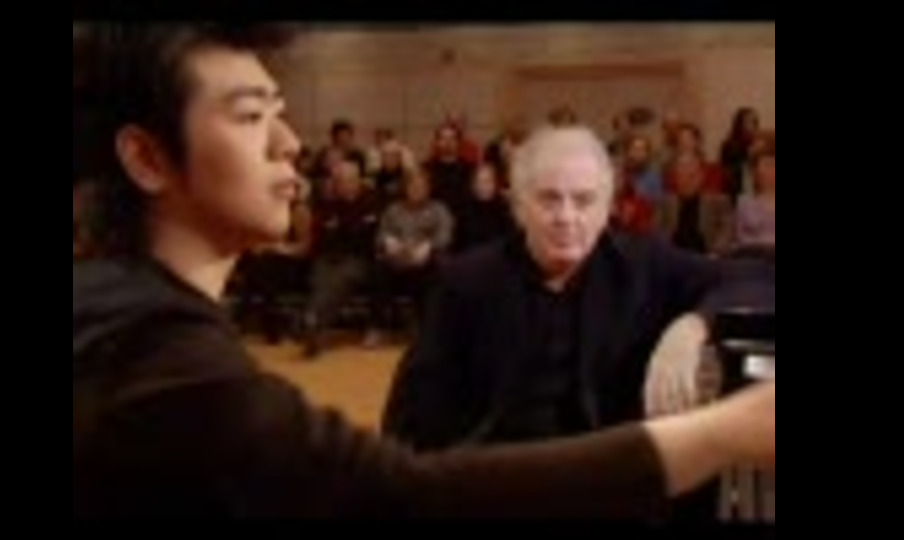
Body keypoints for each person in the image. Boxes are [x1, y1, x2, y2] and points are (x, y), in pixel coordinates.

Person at [73, 23, 774, 519]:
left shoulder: (124, 310)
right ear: (147, 158)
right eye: (252, 116)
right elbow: (400, 490)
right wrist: (727, 430)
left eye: (282, 113)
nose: (290, 143)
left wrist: (695, 324)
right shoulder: (161, 362)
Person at [382, 126, 775, 521]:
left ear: (607, 207)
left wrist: (693, 325)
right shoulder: (466, 282)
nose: (566, 217)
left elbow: (757, 279)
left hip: (612, 485)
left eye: (584, 200)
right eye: (549, 199)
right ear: (518, 206)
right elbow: (411, 417)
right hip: (501, 486)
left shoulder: (642, 266)